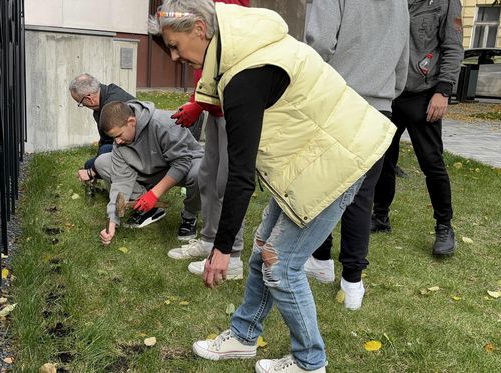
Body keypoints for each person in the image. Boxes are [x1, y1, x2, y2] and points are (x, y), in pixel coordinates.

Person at [149, 2, 396, 372]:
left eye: (174, 44)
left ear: (199, 29)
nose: (174, 56)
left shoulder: (246, 73)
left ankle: (310, 362)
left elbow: (241, 175)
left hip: (339, 161)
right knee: (263, 249)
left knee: (280, 264)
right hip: (310, 159)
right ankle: (244, 336)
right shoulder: (243, 48)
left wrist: (221, 248)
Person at [303, 0, 409, 310]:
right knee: (362, 195)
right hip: (381, 106)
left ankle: (321, 260)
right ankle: (352, 281)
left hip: (339, 98)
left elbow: (318, 41)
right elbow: (403, 57)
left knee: (322, 186)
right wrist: (387, 89)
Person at [372, 0, 463, 257]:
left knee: (432, 163)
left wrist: (443, 91)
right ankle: (380, 217)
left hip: (424, 95)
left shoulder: (445, 2)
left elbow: (453, 46)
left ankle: (444, 226)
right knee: (382, 158)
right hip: (389, 91)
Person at [167, 0, 250, 281]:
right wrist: (198, 103)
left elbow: (224, 58)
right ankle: (209, 240)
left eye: (175, 47)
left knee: (229, 181)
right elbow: (205, 68)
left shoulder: (227, 6)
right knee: (208, 176)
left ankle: (233, 256)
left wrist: (197, 103)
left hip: (232, 106)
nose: (174, 57)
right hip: (213, 105)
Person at [97, 100, 204, 245]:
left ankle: (189, 215)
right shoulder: (120, 142)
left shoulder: (163, 123)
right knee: (103, 162)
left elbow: (181, 163)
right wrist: (112, 221)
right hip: (151, 169)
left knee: (200, 173)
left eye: (119, 135)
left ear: (131, 121)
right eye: (114, 137)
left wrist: (154, 194)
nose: (117, 142)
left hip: (185, 164)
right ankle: (149, 208)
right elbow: (121, 181)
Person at [68, 73, 135, 183]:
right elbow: (106, 139)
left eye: (80, 103)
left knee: (96, 161)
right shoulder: (105, 96)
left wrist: (92, 170)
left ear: (89, 99)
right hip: (124, 145)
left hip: (136, 149)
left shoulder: (111, 107)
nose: (83, 105)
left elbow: (119, 142)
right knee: (94, 161)